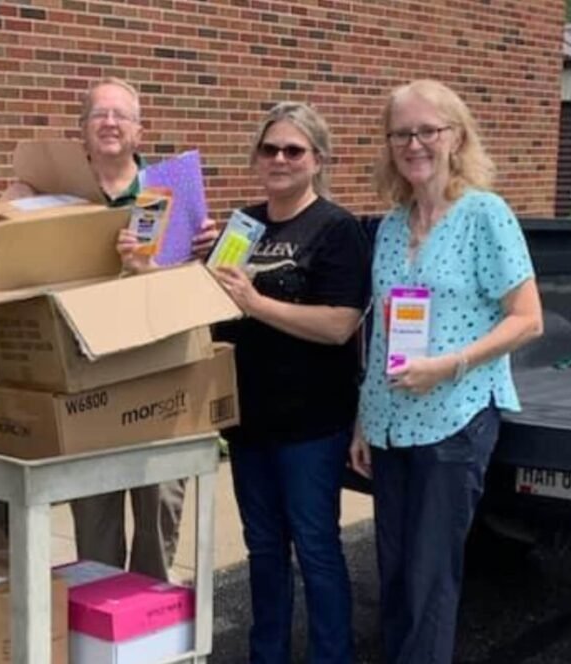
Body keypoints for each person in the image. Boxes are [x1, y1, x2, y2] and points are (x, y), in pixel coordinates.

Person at [349, 79, 544, 664]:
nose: (414, 144)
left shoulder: (485, 214)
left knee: (431, 581)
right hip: (391, 423)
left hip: (455, 420)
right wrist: (365, 418)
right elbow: (381, 331)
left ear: (456, 137)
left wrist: (450, 365)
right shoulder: (390, 225)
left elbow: (528, 319)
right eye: (401, 133)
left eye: (427, 130)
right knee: (397, 576)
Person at [4, 77, 217, 581]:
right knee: (95, 528)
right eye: (98, 114)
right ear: (82, 132)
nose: (110, 122)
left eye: (121, 115)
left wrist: (198, 256)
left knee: (158, 515)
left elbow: (195, 295)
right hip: (89, 381)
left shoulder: (173, 193)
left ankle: (149, 636)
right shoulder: (59, 199)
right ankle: (101, 639)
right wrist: (16, 194)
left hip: (160, 379)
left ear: (139, 132)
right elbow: (7, 227)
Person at [211, 102, 370, 663]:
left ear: (317, 160)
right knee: (262, 551)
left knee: (317, 548)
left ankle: (331, 655)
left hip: (311, 425)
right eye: (270, 148)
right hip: (249, 422)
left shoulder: (336, 228)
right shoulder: (242, 224)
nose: (279, 158)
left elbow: (339, 324)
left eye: (293, 150)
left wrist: (256, 303)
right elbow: (212, 305)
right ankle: (266, 654)